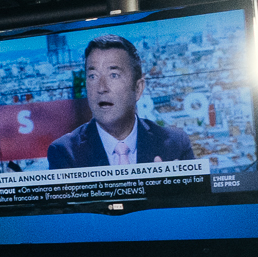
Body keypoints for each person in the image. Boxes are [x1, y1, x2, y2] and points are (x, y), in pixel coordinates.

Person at [43, 35, 196, 168]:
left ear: (138, 88)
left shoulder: (175, 144)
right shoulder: (64, 152)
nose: (101, 88)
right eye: (93, 76)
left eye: (114, 75)